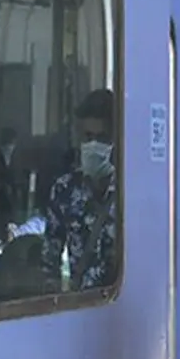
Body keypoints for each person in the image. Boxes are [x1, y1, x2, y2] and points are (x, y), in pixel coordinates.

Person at [41, 89, 120, 292]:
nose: (93, 145)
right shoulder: (64, 190)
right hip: (80, 308)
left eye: (102, 138)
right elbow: (49, 261)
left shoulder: (132, 191)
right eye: (87, 137)